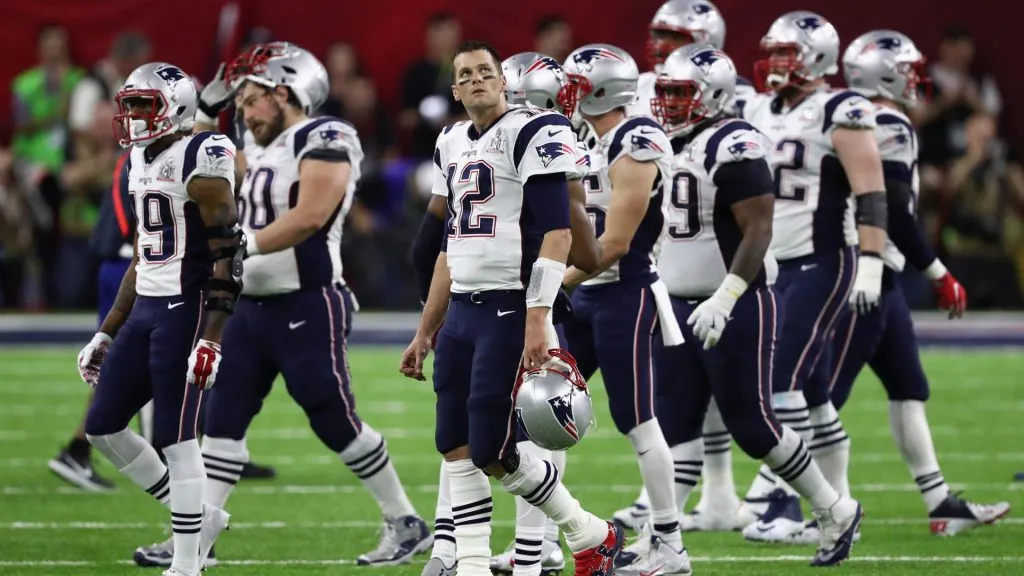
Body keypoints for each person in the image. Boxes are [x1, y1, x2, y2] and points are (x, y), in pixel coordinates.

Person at [133, 42, 431, 568]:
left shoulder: (325, 134)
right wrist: (206, 107)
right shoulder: (259, 148)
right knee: (221, 421)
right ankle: (197, 538)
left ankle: (405, 520)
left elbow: (311, 215)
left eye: (252, 99)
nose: (244, 113)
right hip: (250, 305)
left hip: (308, 301)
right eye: (241, 103)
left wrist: (239, 244)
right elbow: (196, 162)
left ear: (287, 91)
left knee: (332, 418)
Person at [400, 40, 624, 576]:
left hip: (509, 305)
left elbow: (557, 231)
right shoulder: (451, 140)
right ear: (455, 90)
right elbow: (449, 249)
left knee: (493, 448)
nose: (477, 80)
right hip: (463, 309)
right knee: (453, 444)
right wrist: (425, 329)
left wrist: (538, 316)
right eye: (466, 75)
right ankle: (476, 562)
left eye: (485, 72)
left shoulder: (534, 130)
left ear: (503, 81)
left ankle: (587, 530)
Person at [647, 42, 863, 567]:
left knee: (753, 425)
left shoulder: (735, 141)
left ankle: (834, 508)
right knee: (673, 424)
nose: (670, 102)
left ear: (714, 94)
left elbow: (758, 229)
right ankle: (665, 542)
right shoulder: (663, 140)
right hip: (675, 301)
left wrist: (728, 295)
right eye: (667, 92)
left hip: (735, 303)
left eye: (682, 92)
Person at [803, 29, 1008, 539]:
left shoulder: (863, 117)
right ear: (886, 74)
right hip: (867, 274)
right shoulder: (885, 121)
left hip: (880, 275)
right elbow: (892, 207)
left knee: (907, 387)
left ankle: (940, 502)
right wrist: (938, 270)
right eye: (910, 70)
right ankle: (794, 505)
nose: (918, 79)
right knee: (826, 396)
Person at [77, 61, 239, 576]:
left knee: (178, 437)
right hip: (147, 306)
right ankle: (199, 516)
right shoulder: (139, 160)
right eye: (129, 106)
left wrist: (212, 337)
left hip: (185, 311)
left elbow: (229, 257)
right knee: (102, 427)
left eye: (144, 105)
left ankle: (188, 564)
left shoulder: (202, 154)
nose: (133, 117)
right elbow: (145, 255)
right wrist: (107, 329)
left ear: (178, 107)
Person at [737, 11, 889, 542]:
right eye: (773, 52)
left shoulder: (840, 109)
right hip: (775, 265)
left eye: (787, 53)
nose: (776, 63)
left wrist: (871, 262)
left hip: (823, 260)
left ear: (818, 57)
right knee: (818, 396)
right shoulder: (757, 107)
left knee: (779, 384)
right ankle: (839, 502)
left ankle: (787, 502)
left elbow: (871, 191)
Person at [615, 0, 755, 535]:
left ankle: (723, 494)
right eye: (654, 32)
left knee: (719, 385)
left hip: (718, 247)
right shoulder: (640, 85)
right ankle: (695, 497)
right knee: (677, 383)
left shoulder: (735, 97)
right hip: (660, 241)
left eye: (669, 33)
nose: (656, 43)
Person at [559, 43, 688, 575]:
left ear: (600, 90)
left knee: (636, 419)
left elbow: (613, 245)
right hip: (586, 292)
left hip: (623, 292)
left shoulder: (638, 139)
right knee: (545, 415)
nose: (565, 93)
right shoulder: (585, 137)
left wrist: (551, 285)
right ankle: (539, 542)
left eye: (575, 84)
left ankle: (671, 546)